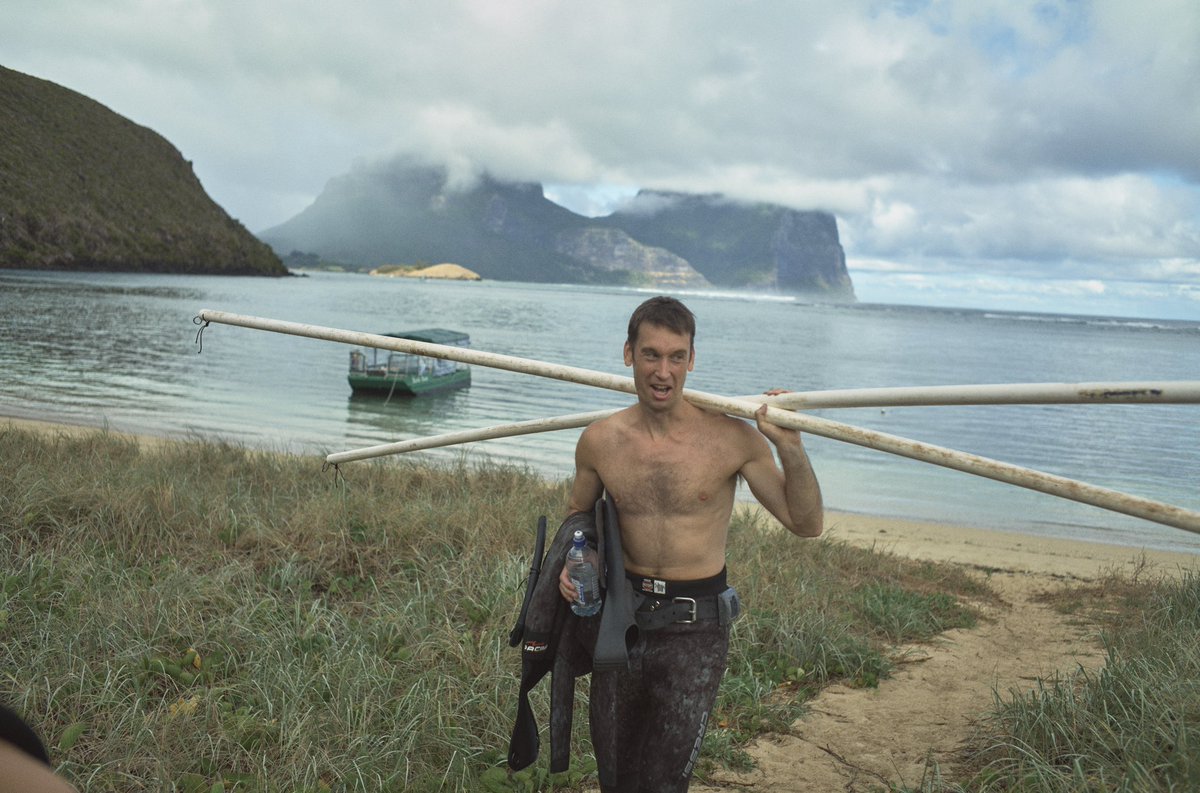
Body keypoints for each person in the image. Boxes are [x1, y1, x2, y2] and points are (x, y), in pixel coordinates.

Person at [557, 295, 823, 792]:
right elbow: (578, 517)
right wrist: (577, 558)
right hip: (622, 621)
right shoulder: (600, 440)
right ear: (628, 355)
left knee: (664, 782)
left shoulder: (733, 438)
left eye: (677, 357)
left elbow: (805, 523)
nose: (664, 372)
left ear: (692, 361)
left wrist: (791, 446)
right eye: (651, 355)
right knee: (616, 778)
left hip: (695, 631)